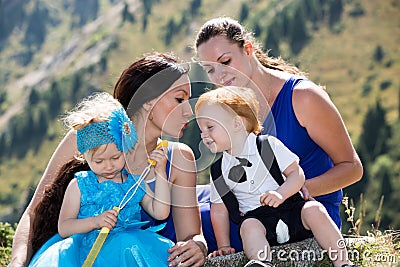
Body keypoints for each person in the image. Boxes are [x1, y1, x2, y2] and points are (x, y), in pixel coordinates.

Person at [11, 52, 207, 267]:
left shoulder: (180, 156)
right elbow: (33, 213)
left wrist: (198, 247)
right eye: (180, 99)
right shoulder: (87, 137)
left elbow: (191, 234)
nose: (189, 111)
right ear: (150, 101)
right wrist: (17, 263)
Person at [194, 17, 363, 252]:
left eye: (226, 61)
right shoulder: (233, 108)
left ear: (248, 49)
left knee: (193, 217)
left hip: (303, 215)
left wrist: (294, 191)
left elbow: (352, 168)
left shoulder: (303, 97)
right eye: (210, 70)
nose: (220, 76)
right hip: (255, 215)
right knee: (187, 198)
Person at [195, 86, 357, 267]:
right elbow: (219, 210)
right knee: (248, 228)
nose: (204, 135)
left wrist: (281, 193)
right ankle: (261, 261)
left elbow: (296, 173)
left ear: (236, 123)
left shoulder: (267, 145)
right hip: (258, 220)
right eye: (201, 130)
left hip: (291, 207)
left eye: (210, 127)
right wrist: (223, 245)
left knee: (314, 210)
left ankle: (343, 261)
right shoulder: (219, 170)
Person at [29, 92, 173, 266]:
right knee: (124, 244)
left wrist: (160, 172)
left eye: (115, 157)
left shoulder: (133, 183)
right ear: (84, 157)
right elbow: (65, 227)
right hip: (87, 251)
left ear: (125, 150)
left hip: (128, 248)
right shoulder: (81, 185)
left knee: (127, 244)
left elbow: (161, 212)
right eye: (99, 161)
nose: (108, 166)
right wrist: (95, 222)